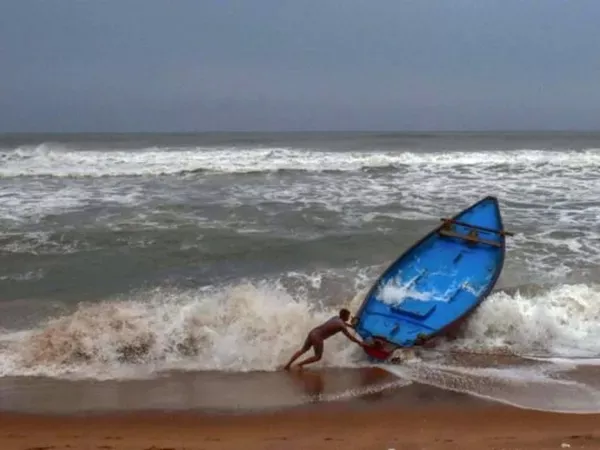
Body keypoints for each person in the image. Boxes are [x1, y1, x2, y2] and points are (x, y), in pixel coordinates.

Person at [283, 308, 367, 370]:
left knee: (303, 350)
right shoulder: (341, 326)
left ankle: (288, 365)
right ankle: (300, 364)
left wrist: (351, 326)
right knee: (318, 357)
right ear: (344, 316)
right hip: (318, 337)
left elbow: (343, 323)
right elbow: (350, 337)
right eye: (348, 316)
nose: (349, 318)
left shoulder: (336, 318)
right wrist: (359, 342)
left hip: (313, 332)